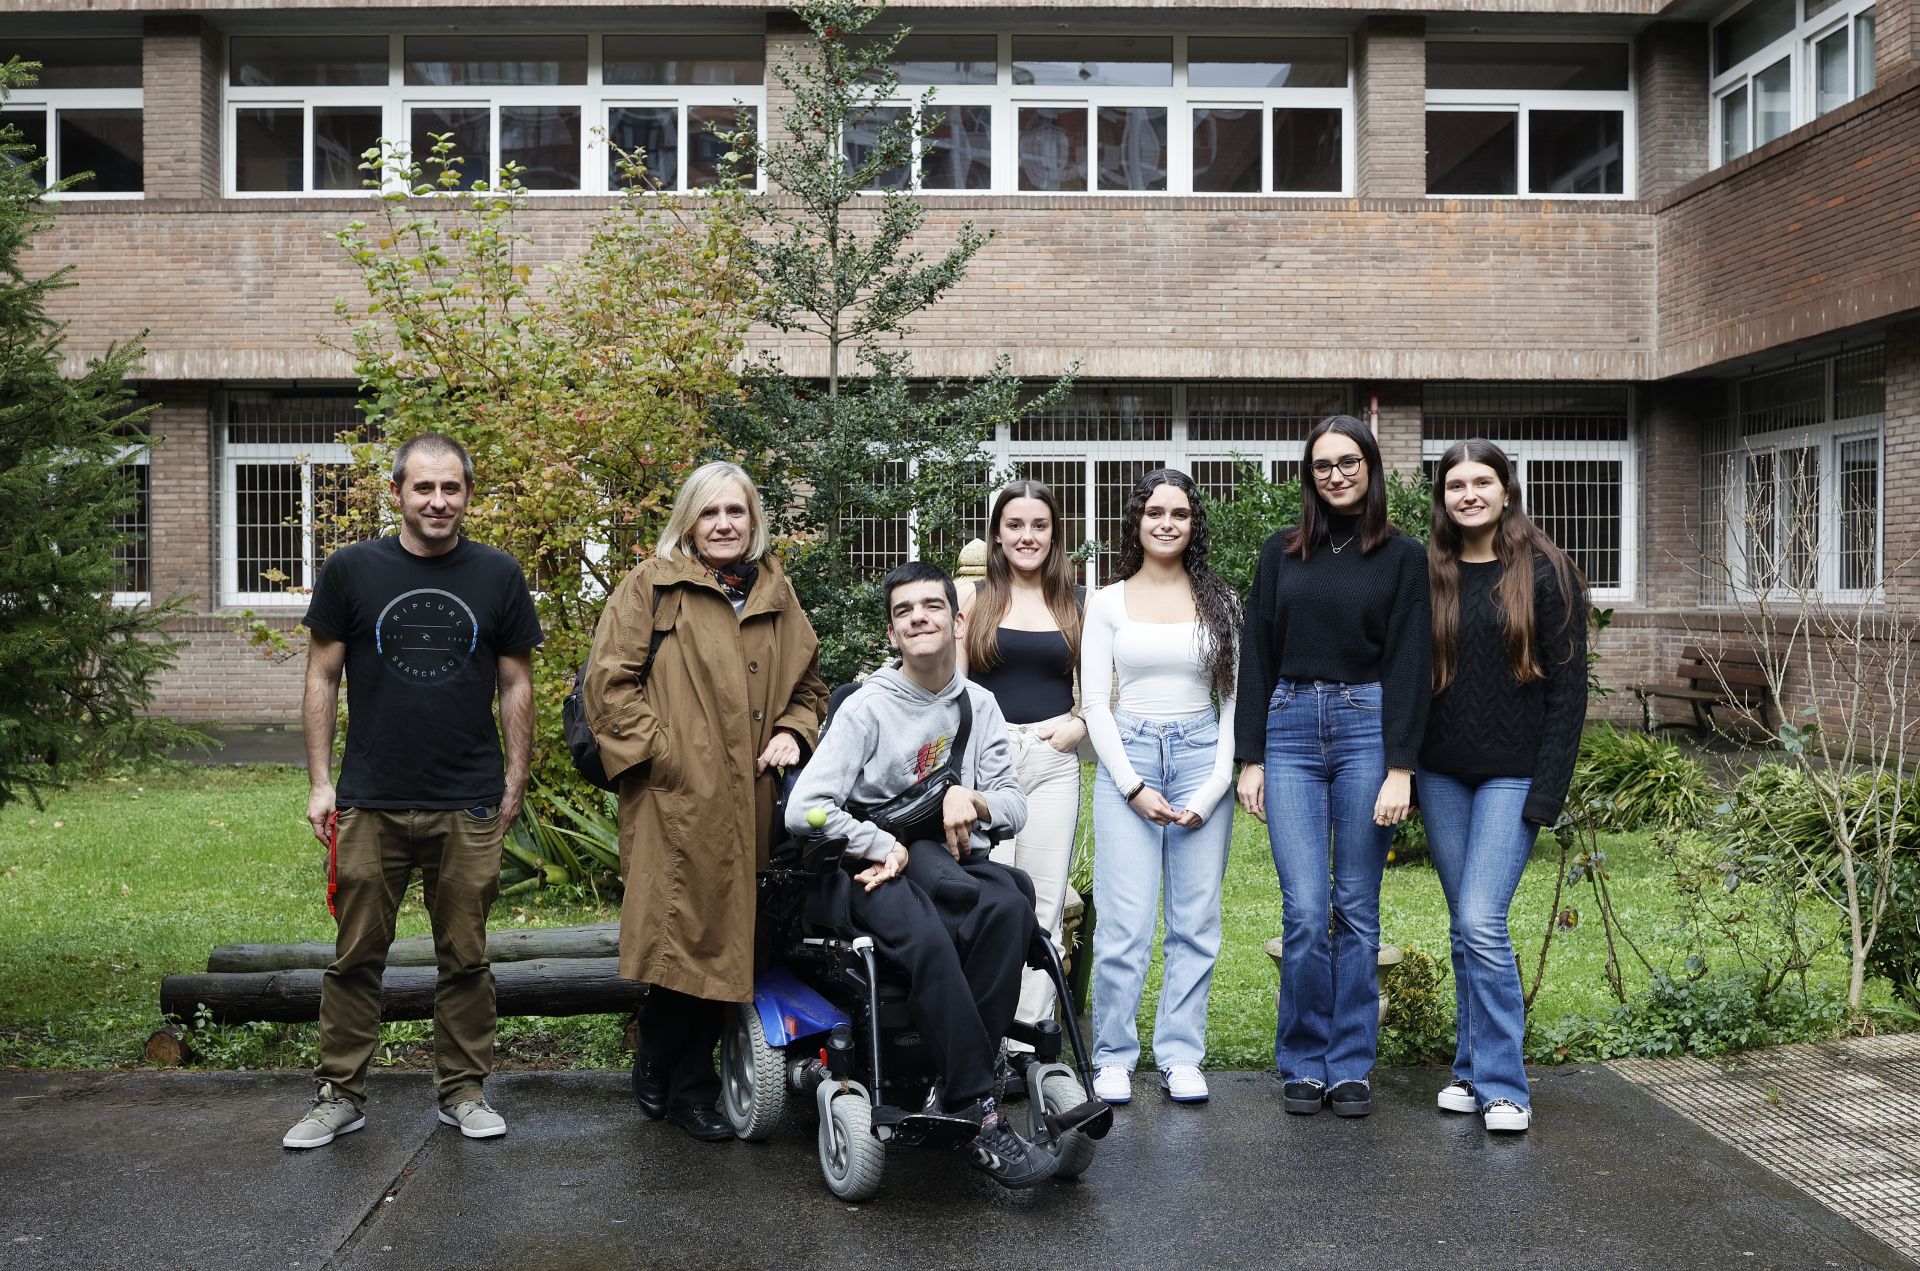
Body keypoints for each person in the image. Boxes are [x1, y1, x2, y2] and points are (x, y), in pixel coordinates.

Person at [284, 432, 543, 1149]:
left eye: (451, 488)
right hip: (369, 798)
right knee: (356, 954)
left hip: (467, 798)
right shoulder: (351, 570)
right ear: (396, 491)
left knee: (465, 955)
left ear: (467, 494)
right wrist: (319, 782)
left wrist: (515, 777)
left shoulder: (497, 575)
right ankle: (340, 1093)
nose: (438, 500)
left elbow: (517, 680)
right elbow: (320, 677)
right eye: (424, 487)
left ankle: (463, 1090)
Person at [784, 560, 1057, 1190]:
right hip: (864, 867)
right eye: (904, 611)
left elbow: (1013, 805)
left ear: (957, 619)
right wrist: (880, 841)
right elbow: (807, 808)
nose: (919, 618)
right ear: (892, 633)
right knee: (928, 935)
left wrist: (975, 799)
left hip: (939, 853)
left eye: (931, 606)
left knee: (1011, 906)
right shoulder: (867, 709)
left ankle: (949, 1090)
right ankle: (977, 1109)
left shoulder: (979, 706)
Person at [583, 461, 827, 1143]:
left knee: (731, 942)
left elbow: (810, 689)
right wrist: (668, 754)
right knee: (682, 937)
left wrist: (791, 731)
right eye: (710, 512)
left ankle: (660, 1064)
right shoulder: (651, 587)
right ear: (688, 520)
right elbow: (609, 687)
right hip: (675, 802)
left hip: (754, 803)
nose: (724, 524)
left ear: (755, 521)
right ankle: (689, 1087)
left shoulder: (778, 593)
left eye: (736, 512)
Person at [1235, 415, 1430, 1120]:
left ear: (1371, 468)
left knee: (1355, 903)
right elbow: (1257, 655)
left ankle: (1349, 1063)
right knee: (1305, 909)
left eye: (1349, 461)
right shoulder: (1279, 552)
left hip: (1364, 729)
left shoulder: (1402, 557)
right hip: (1287, 727)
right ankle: (1303, 1059)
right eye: (1323, 465)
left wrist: (1401, 767)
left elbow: (1411, 661)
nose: (1337, 474)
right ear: (1309, 475)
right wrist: (1249, 756)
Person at [1420, 440, 1588, 1135]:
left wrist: (1547, 792)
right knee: (1466, 926)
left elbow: (1570, 692)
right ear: (1444, 497)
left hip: (1512, 773)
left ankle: (1505, 1086)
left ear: (1506, 490)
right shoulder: (1429, 571)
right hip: (1441, 772)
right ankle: (1468, 1065)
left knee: (1483, 919)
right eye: (1455, 483)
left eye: (1480, 481)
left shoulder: (1546, 572)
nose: (1468, 494)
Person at [1081, 468, 1240, 1107]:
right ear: (1137, 521)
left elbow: (1234, 703)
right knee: (1125, 920)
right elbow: (1095, 704)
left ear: (1193, 523)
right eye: (1154, 512)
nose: (1166, 522)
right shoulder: (1107, 601)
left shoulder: (1222, 601)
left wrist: (1211, 790)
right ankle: (1114, 1055)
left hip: (1205, 754)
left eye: (1179, 512)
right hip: (1132, 752)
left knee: (1195, 920)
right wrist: (1132, 786)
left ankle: (1180, 1054)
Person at [956, 480, 1086, 1088]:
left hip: (1054, 763)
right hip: (993, 766)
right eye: (1015, 525)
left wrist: (1075, 725)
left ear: (1054, 533)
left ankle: (1027, 1041)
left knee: (1044, 901)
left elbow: (1101, 691)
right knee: (991, 900)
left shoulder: (1076, 603)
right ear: (997, 534)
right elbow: (950, 693)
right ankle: (984, 1031)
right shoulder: (973, 600)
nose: (1027, 537)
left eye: (1039, 525)